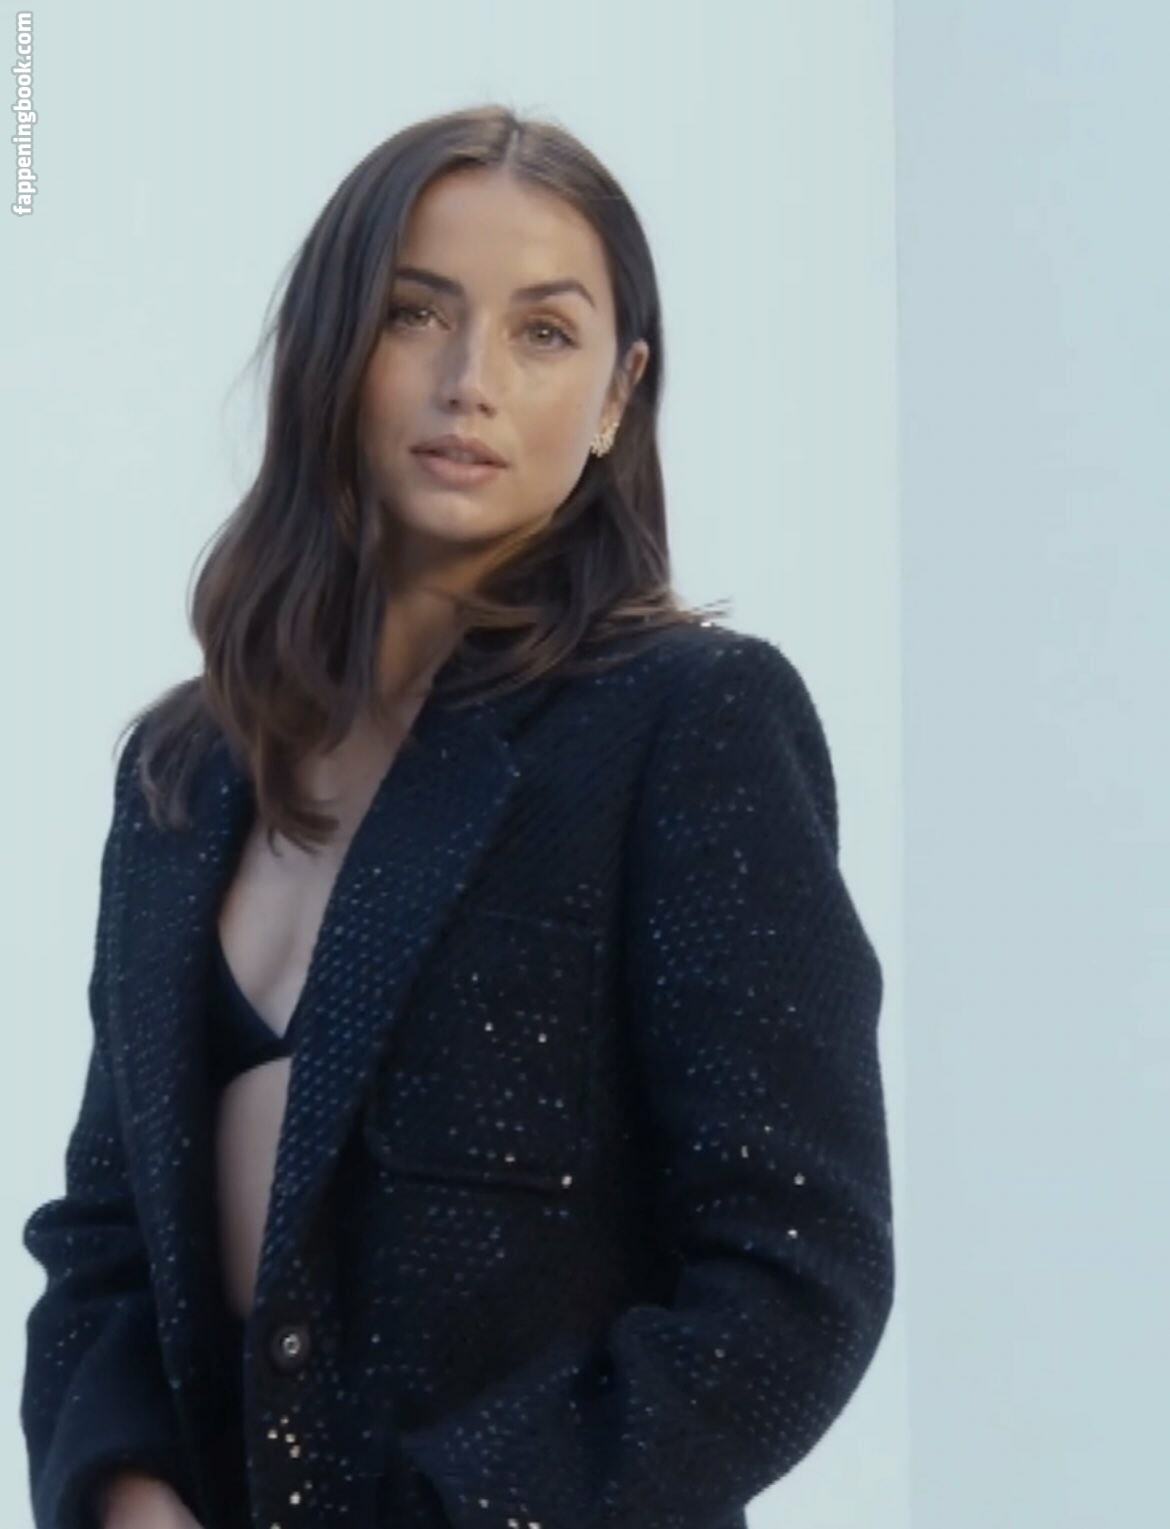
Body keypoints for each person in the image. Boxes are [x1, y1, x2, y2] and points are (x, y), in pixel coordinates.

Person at [19, 103, 895, 1529]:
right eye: (415, 313)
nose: (470, 381)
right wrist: (120, 1495)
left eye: (543, 332)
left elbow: (796, 1280)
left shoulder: (689, 726)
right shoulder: (184, 771)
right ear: (332, 345)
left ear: (616, 394)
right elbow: (107, 1235)